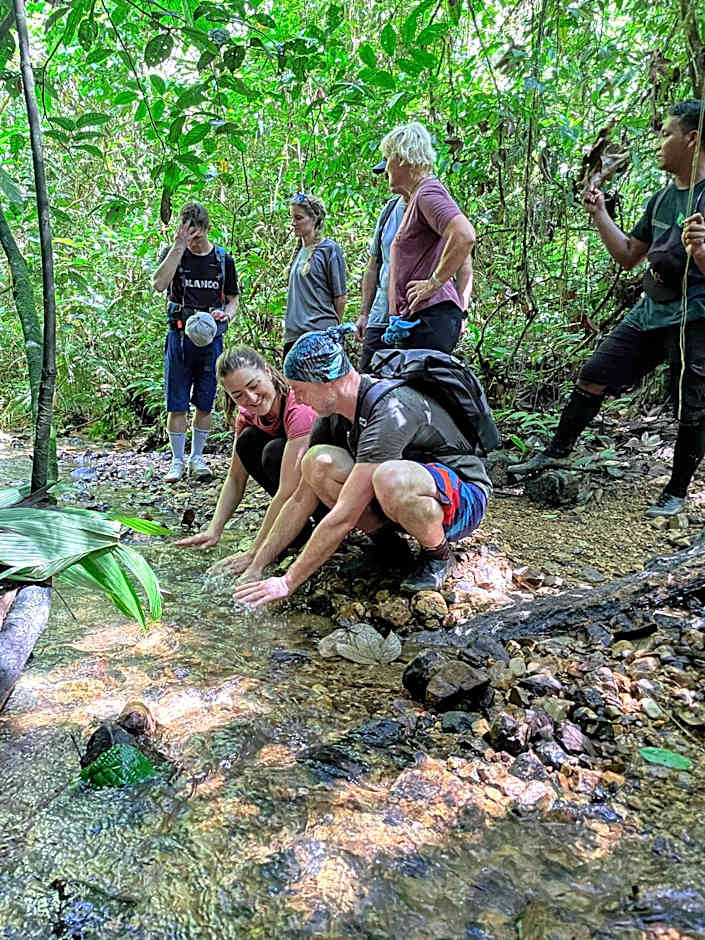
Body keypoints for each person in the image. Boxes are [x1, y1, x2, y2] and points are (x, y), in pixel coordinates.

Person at [511, 100, 705, 518]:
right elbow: (629, 255)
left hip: (695, 317)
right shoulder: (660, 200)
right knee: (596, 372)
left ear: (692, 140)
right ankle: (556, 451)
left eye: (667, 133)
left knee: (690, 403)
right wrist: (599, 213)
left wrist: (701, 251)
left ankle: (676, 490)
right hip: (652, 309)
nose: (659, 141)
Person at [232, 326, 492, 609]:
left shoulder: (391, 411)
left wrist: (287, 582)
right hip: (412, 494)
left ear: (329, 381)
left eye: (300, 390)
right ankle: (389, 550)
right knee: (317, 462)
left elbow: (344, 515)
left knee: (389, 476)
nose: (299, 399)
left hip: (464, 497)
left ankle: (438, 556)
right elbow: (298, 498)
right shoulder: (332, 415)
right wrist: (257, 565)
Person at [175, 346, 318, 574]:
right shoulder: (247, 416)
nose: (251, 398)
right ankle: (295, 534)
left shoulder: (298, 407)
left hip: (324, 491)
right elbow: (235, 478)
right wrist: (214, 529)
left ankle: (308, 528)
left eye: (254, 386)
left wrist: (254, 554)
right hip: (293, 492)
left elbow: (288, 490)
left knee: (274, 452)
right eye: (238, 395)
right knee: (247, 441)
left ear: (268, 372)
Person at [356, 160, 474, 370]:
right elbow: (374, 265)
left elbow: (463, 251)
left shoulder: (430, 197)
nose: (387, 176)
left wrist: (446, 295)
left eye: (389, 168)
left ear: (405, 164)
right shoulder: (389, 211)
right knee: (371, 385)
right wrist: (364, 313)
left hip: (422, 313)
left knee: (417, 387)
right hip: (386, 316)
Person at [152, 202, 239, 483]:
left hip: (211, 340)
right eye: (187, 236)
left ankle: (197, 457)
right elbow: (159, 284)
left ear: (207, 230)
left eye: (197, 237)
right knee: (176, 403)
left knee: (205, 401)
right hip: (178, 337)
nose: (193, 242)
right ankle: (176, 460)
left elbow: (232, 299)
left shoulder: (223, 260)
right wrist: (178, 248)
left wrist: (225, 315)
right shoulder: (174, 254)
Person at [373, 122, 475, 355]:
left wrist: (433, 283)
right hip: (418, 318)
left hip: (432, 316)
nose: (386, 167)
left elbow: (464, 235)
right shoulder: (417, 197)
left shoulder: (428, 192)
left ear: (401, 157)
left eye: (387, 158)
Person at [284, 193, 347, 360]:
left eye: (299, 218)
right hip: (293, 335)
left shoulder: (328, 249)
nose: (293, 223)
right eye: (292, 218)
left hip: (318, 333)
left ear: (314, 219)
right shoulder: (298, 252)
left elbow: (340, 296)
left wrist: (334, 331)